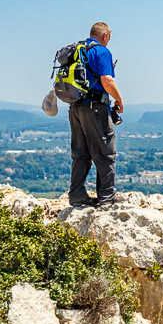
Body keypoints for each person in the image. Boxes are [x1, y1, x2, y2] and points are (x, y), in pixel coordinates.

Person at [68, 21, 123, 207]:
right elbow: (107, 80)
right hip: (95, 108)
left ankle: (77, 195)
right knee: (105, 152)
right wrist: (119, 100)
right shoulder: (102, 52)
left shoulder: (78, 51)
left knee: (81, 154)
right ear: (105, 36)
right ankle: (106, 198)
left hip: (75, 108)